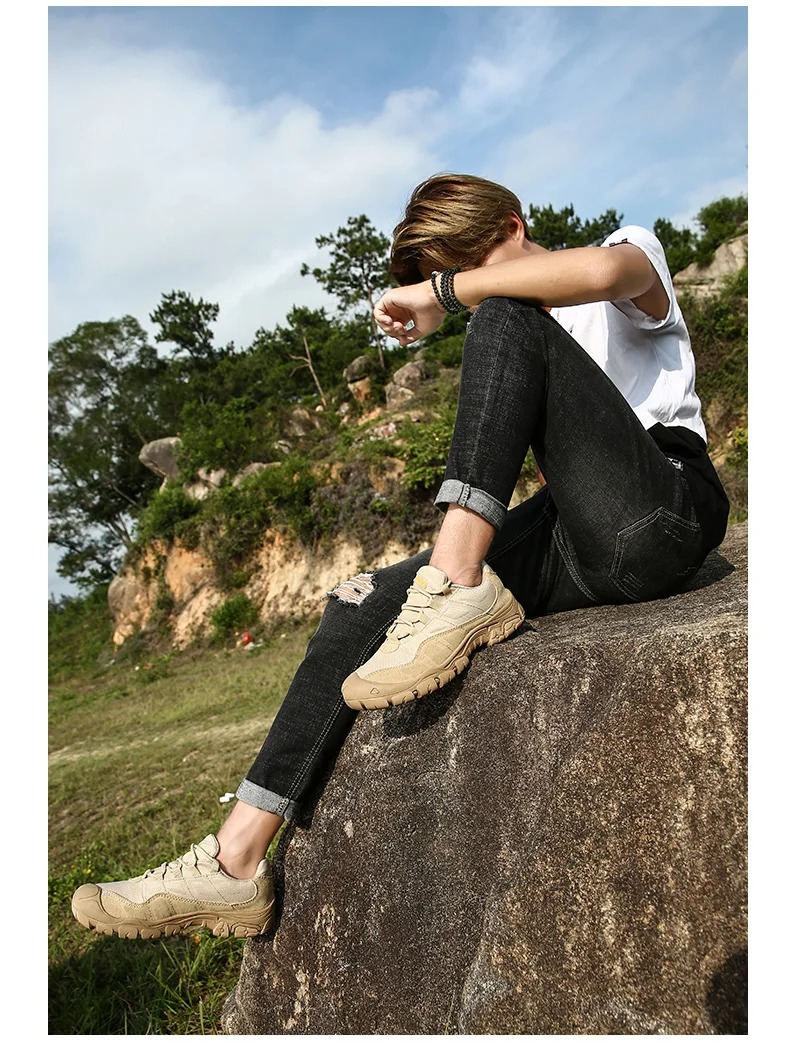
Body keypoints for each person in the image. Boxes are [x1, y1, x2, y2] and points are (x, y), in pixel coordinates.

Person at [70, 173, 729, 940]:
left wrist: (442, 293)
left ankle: (454, 582)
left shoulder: (623, 252)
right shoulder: (520, 329)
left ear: (513, 226)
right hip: (576, 537)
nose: (465, 288)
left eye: (469, 265)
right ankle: (236, 861)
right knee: (358, 603)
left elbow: (600, 272)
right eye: (449, 275)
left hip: (662, 511)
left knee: (504, 317)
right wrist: (455, 294)